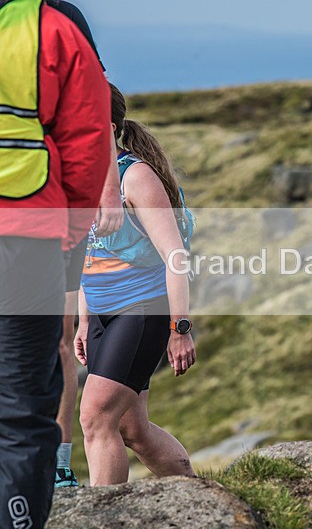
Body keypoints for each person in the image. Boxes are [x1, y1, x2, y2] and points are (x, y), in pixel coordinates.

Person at [0, 0, 110, 525]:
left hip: (33, 237)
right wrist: (68, 235)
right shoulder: (51, 28)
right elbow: (89, 139)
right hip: (29, 240)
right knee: (22, 407)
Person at [75, 83, 197, 486]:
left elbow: (175, 257)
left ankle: (102, 517)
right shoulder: (78, 176)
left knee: (95, 416)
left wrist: (179, 328)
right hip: (100, 315)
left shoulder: (136, 178)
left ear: (106, 127)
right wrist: (82, 319)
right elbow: (84, 252)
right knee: (133, 430)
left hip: (141, 310)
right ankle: (199, 496)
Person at [47, 0, 125, 489]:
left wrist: (110, 185)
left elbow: (93, 99)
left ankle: (55, 465)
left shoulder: (62, 15)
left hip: (53, 201)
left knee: (54, 341)